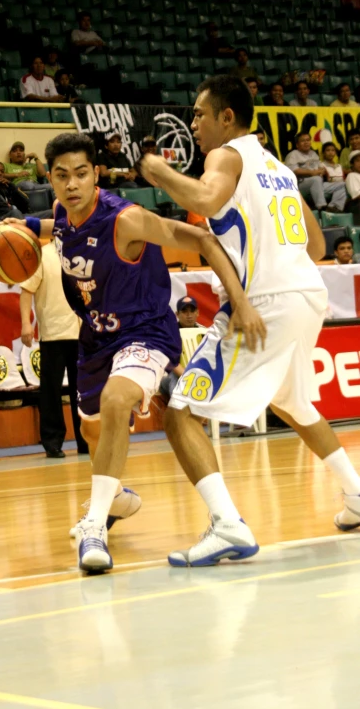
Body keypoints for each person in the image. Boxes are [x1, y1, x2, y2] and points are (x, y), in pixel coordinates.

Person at [0, 131, 266, 573]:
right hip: (96, 338)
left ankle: (94, 527)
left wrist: (242, 302)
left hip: (146, 330)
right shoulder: (61, 213)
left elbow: (204, 240)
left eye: (80, 174)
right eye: (61, 176)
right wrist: (17, 229)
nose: (72, 184)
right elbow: (51, 226)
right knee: (92, 429)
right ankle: (115, 499)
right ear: (51, 180)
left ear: (96, 174)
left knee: (117, 401)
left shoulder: (126, 219)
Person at [140, 74, 360, 566]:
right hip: (307, 295)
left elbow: (204, 200)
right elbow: (319, 246)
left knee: (179, 411)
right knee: (294, 403)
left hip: (266, 302)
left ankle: (227, 525)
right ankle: (356, 494)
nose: (193, 123)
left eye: (199, 114)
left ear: (226, 118)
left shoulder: (227, 155)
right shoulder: (278, 167)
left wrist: (155, 169)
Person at [20, 239, 89, 459]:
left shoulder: (83, 252)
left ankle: (86, 439)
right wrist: (25, 323)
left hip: (82, 331)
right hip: (53, 331)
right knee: (51, 390)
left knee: (83, 390)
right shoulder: (41, 255)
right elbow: (26, 291)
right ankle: (52, 441)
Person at [284, 132, 346, 212]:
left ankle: (334, 207)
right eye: (303, 141)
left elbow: (319, 168)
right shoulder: (293, 155)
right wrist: (311, 173)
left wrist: (322, 171)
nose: (306, 142)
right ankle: (321, 207)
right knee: (316, 179)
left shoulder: (313, 154)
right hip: (300, 185)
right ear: (297, 145)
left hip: (317, 184)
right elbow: (294, 171)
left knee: (342, 184)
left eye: (308, 140)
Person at [159, 296, 202, 402]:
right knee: (174, 378)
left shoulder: (205, 333)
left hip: (200, 377)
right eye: (184, 311)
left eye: (192, 311)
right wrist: (187, 376)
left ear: (197, 313)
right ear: (177, 314)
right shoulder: (169, 333)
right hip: (176, 375)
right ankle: (178, 407)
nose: (189, 315)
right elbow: (168, 361)